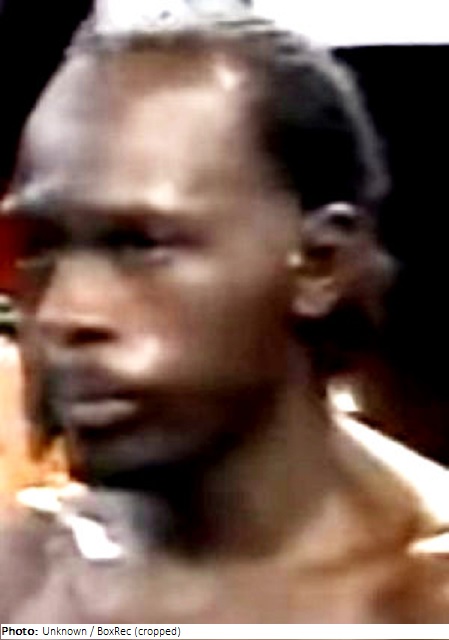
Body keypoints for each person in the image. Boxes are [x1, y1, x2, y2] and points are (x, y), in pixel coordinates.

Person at [1, 1, 449, 623]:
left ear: (319, 263)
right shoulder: (24, 579)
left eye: (139, 245)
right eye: (40, 247)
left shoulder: (423, 601)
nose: (62, 313)